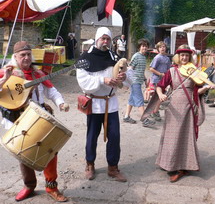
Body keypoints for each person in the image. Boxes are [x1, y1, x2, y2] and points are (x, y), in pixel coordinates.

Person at [0, 41, 69, 202]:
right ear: (15, 56)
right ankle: (29, 186)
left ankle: (52, 186)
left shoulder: (38, 74)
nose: (26, 57)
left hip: (39, 116)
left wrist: (60, 103)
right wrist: (5, 79)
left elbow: (52, 90)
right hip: (18, 118)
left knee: (51, 150)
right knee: (23, 154)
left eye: (28, 54)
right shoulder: (7, 72)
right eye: (22, 55)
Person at [76, 27, 130, 182]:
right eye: (103, 38)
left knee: (114, 136)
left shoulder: (114, 56)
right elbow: (83, 82)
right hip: (94, 103)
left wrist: (124, 76)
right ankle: (90, 164)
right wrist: (102, 80)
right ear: (97, 38)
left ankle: (113, 167)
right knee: (92, 136)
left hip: (110, 103)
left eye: (108, 39)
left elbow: (128, 76)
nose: (105, 41)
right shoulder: (85, 58)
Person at [155, 44, 214, 182]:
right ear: (178, 57)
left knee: (185, 137)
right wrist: (160, 95)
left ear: (189, 57)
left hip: (188, 108)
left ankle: (182, 167)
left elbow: (197, 91)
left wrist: (205, 88)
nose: (184, 57)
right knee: (171, 137)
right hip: (173, 109)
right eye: (182, 55)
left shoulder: (195, 73)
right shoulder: (172, 71)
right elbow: (160, 86)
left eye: (187, 55)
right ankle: (169, 163)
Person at [123, 38, 156, 127]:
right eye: (143, 46)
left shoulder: (143, 57)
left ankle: (126, 116)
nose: (144, 48)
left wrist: (145, 80)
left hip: (139, 81)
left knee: (132, 100)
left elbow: (141, 71)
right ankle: (144, 119)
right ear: (139, 47)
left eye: (146, 46)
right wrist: (127, 82)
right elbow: (130, 69)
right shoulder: (136, 56)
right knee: (140, 100)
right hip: (134, 82)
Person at [148, 41, 171, 121]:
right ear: (158, 49)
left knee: (160, 97)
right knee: (158, 97)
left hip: (163, 80)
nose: (162, 48)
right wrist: (160, 74)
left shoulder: (167, 58)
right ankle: (154, 111)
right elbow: (151, 68)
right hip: (156, 79)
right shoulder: (157, 58)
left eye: (164, 47)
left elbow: (168, 69)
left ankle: (154, 111)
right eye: (160, 47)